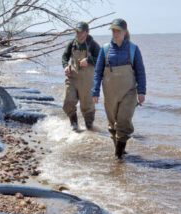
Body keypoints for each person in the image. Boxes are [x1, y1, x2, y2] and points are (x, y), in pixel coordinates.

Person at [92, 18, 146, 159]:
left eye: (118, 31)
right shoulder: (105, 49)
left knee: (123, 122)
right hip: (110, 94)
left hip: (129, 93)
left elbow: (140, 71)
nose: (115, 34)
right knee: (113, 125)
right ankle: (120, 150)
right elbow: (98, 72)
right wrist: (95, 91)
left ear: (125, 32)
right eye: (113, 31)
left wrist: (142, 91)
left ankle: (118, 157)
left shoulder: (133, 49)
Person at [62, 21, 100, 130]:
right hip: (72, 78)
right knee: (67, 102)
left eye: (81, 32)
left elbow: (102, 60)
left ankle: (90, 130)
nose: (78, 34)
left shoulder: (93, 45)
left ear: (87, 32)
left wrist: (89, 60)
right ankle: (74, 125)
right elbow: (65, 56)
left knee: (87, 108)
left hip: (87, 81)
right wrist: (65, 66)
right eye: (77, 32)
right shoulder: (72, 43)